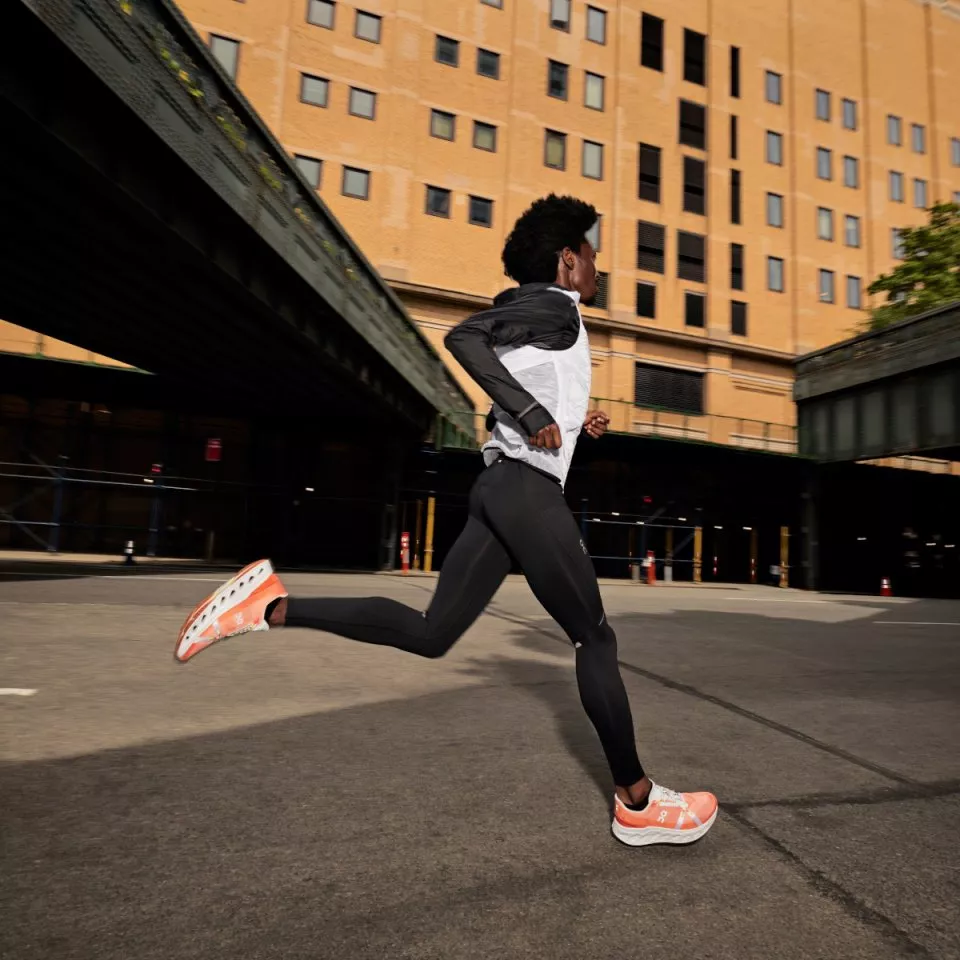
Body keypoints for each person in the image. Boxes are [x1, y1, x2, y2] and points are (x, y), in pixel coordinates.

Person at [175, 195, 718, 847]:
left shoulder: (541, 317)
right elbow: (465, 337)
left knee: (433, 633)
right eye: (594, 255)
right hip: (524, 491)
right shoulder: (554, 304)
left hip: (498, 488)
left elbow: (518, 375)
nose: (600, 269)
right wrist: (531, 414)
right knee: (595, 640)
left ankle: (269, 605)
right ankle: (637, 803)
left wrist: (572, 420)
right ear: (568, 259)